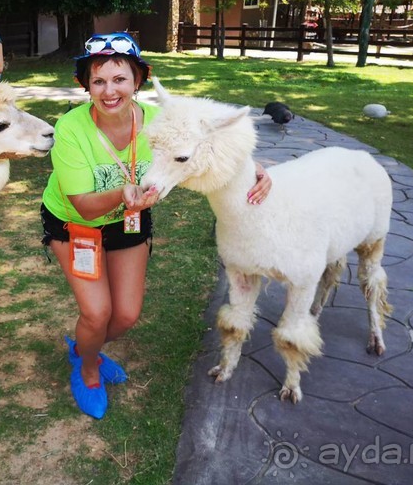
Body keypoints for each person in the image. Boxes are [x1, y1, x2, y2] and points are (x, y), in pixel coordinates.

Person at [40, 32, 271, 419]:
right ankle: (89, 367)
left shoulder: (159, 122)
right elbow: (84, 204)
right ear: (85, 85)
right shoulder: (70, 129)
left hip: (128, 224)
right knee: (97, 313)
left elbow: (206, 147)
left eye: (119, 79)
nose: (109, 90)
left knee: (126, 315)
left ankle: (84, 347)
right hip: (75, 224)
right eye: (98, 81)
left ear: (137, 81)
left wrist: (256, 170)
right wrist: (122, 193)